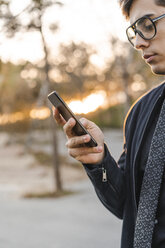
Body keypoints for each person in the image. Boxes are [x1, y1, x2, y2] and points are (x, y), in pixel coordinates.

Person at [53, 0, 165, 247]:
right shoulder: (140, 112)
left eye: (147, 25)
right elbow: (127, 205)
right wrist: (98, 159)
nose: (138, 42)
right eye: (134, 31)